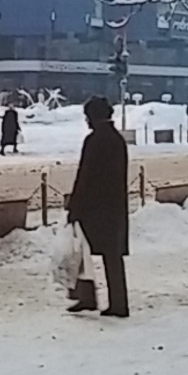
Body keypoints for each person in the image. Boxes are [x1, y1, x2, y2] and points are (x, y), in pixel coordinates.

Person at [65, 95, 130, 318]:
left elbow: (85, 176)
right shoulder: (117, 139)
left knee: (82, 252)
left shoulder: (94, 140)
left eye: (87, 117)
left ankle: (88, 297)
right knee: (112, 257)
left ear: (95, 116)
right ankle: (118, 302)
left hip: (94, 208)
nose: (86, 121)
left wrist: (74, 206)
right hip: (114, 207)